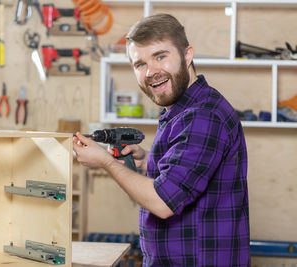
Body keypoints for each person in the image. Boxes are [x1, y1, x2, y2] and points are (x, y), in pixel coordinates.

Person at [73, 13, 250, 266]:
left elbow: (163, 201)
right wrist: (147, 160)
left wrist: (105, 162)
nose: (151, 72)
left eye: (160, 56)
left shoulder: (203, 116)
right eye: (140, 64)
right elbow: (188, 171)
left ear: (187, 55)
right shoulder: (181, 111)